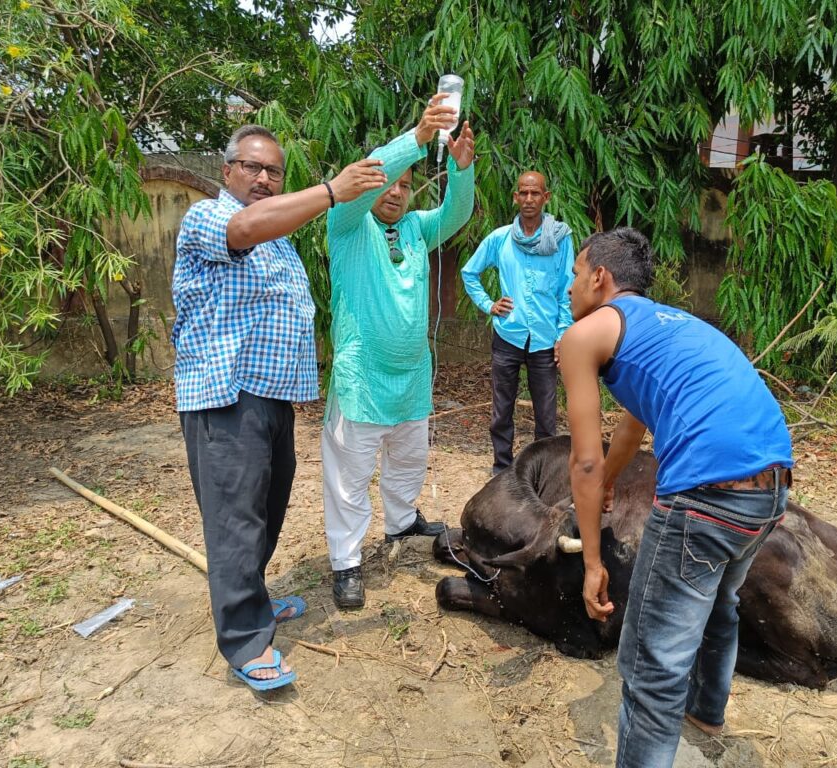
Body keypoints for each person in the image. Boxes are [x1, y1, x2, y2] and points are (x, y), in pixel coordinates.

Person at [558, 228, 793, 767]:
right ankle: (707, 710)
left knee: (650, 666)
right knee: (720, 603)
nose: (569, 288)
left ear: (600, 278)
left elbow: (585, 460)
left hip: (706, 497)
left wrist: (592, 561)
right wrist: (615, 480)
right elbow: (631, 429)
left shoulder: (583, 336)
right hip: (771, 488)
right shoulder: (672, 328)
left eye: (574, 274)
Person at [172, 125, 386, 691]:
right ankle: (245, 642)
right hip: (226, 395)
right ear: (227, 172)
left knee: (265, 505)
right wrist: (332, 191)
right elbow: (244, 228)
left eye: (273, 171)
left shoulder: (281, 239)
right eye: (251, 167)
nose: (263, 179)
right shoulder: (210, 219)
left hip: (272, 397)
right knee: (235, 516)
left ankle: (254, 601)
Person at [323, 94, 476, 609]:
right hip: (363, 378)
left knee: (409, 458)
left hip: (411, 376)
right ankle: (346, 562)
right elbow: (370, 175)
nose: (398, 191)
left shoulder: (414, 230)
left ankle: (400, 521)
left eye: (408, 186)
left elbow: (456, 213)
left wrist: (461, 171)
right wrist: (416, 140)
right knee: (349, 478)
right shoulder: (347, 226)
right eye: (391, 182)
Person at [461, 171, 574, 475]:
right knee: (501, 411)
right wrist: (489, 304)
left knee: (546, 417)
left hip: (544, 340)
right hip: (508, 336)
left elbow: (567, 289)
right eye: (523, 193)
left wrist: (562, 335)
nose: (528, 199)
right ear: (515, 197)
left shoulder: (561, 239)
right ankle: (502, 470)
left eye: (535, 193)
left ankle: (544, 475)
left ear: (545, 197)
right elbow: (469, 273)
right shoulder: (500, 239)